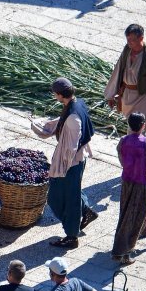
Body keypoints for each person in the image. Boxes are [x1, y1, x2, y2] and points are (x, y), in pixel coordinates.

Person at [31, 77, 98, 249]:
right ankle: (86, 212)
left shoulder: (73, 118)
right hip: (76, 161)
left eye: (55, 94)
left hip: (71, 164)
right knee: (73, 193)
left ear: (60, 94)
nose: (54, 96)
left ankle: (71, 236)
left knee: (59, 198)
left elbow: (71, 146)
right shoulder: (78, 103)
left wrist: (62, 168)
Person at [112, 112, 146, 265]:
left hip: (127, 183)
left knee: (141, 212)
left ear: (129, 125)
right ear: (143, 125)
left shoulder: (122, 141)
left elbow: (122, 161)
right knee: (135, 216)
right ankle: (123, 253)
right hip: (143, 185)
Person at [104, 24, 146, 131]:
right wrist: (111, 95)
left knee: (139, 128)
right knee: (131, 125)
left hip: (144, 98)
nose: (129, 42)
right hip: (127, 96)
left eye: (132, 40)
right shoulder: (127, 50)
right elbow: (117, 71)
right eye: (128, 39)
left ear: (141, 38)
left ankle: (138, 145)